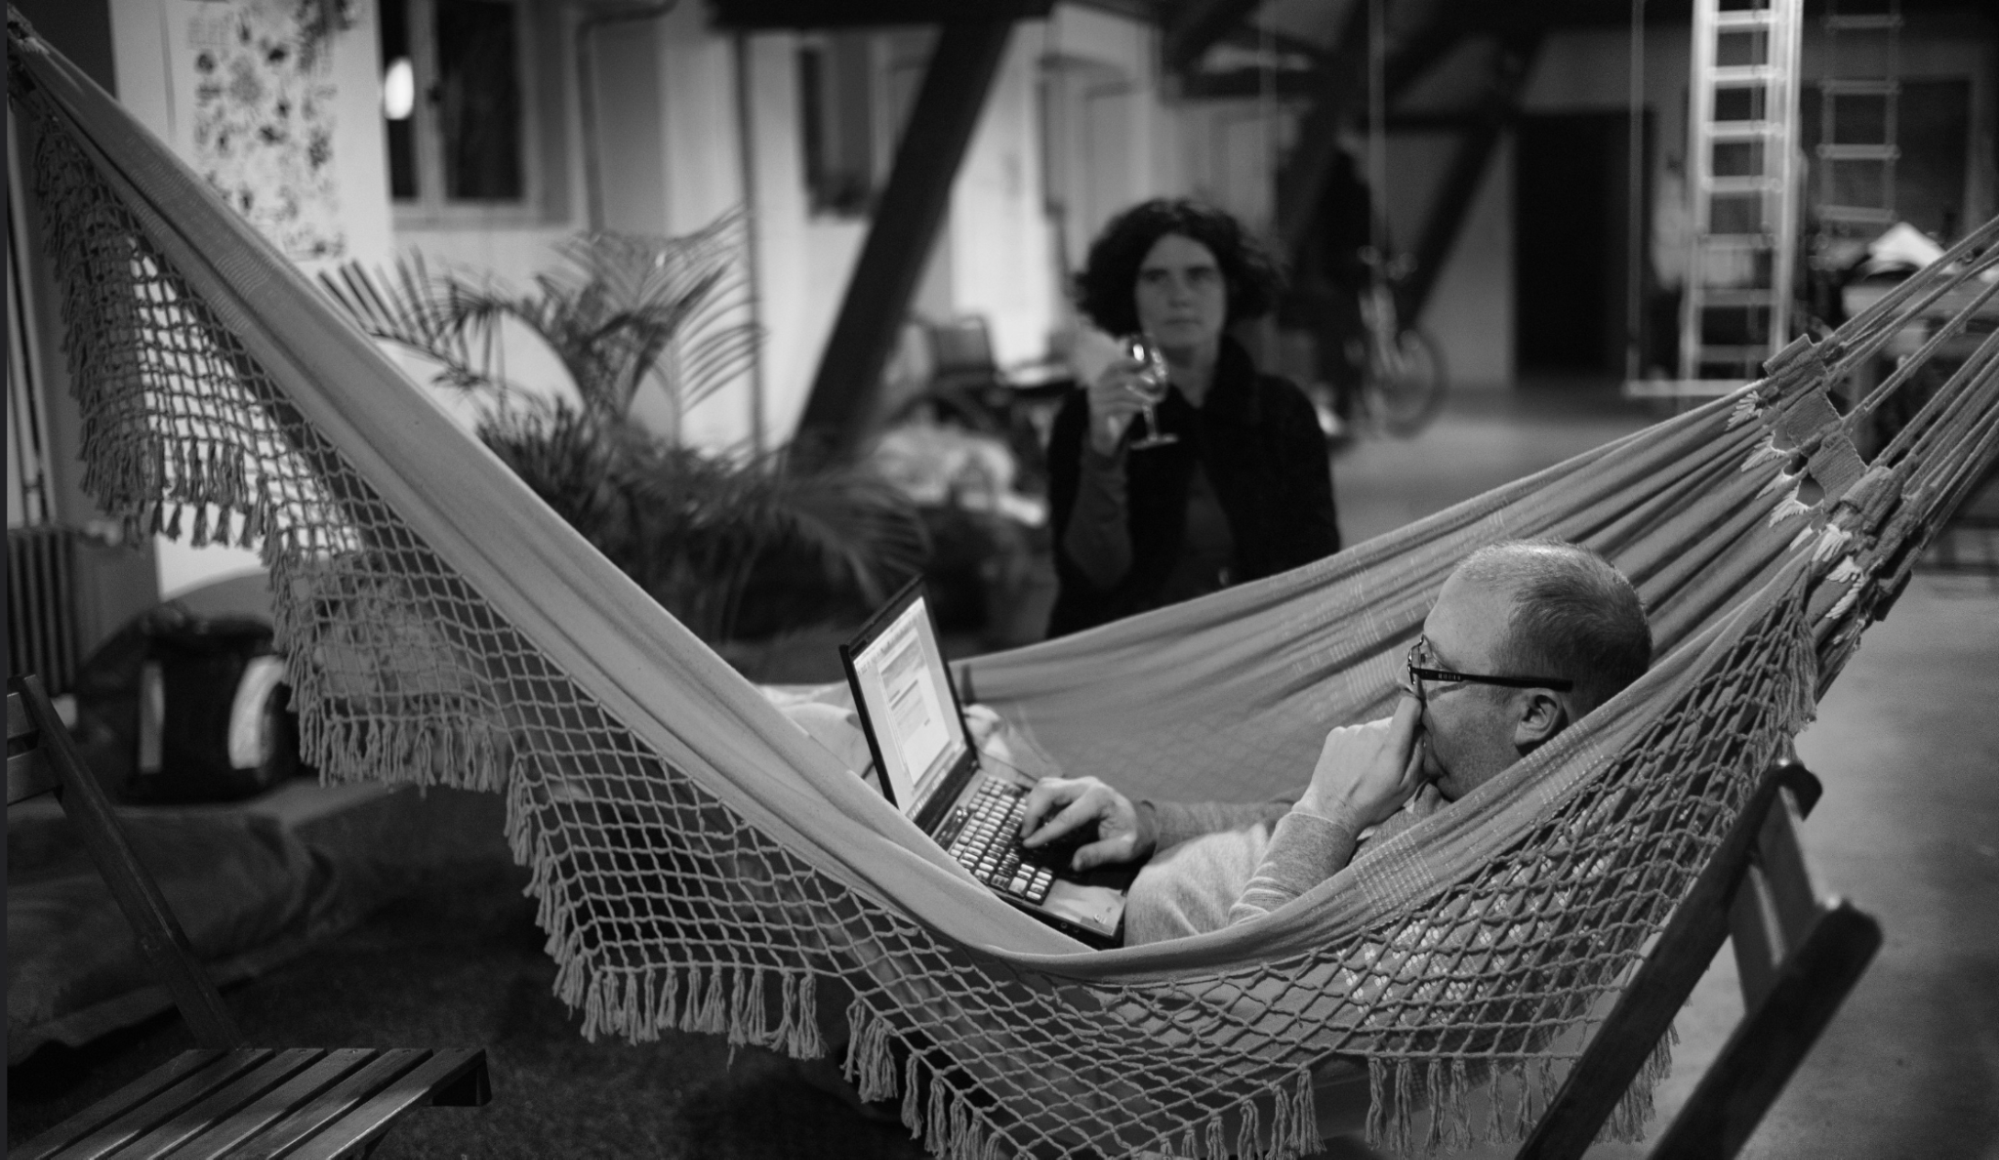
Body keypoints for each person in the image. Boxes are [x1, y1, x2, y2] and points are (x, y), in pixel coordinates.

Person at [1019, 539, 1652, 945]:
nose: (1407, 687)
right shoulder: (1453, 772)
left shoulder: (1494, 908)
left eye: (1435, 667)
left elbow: (1234, 1007)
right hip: (1127, 905)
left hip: (1170, 1045)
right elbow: (1284, 828)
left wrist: (1332, 812)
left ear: (1535, 713)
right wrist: (1151, 825)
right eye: (1418, 651)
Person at [1046, 199, 1341, 638]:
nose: (1179, 295)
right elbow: (1092, 579)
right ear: (1130, 292)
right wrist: (1103, 453)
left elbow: (1316, 563)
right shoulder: (1088, 412)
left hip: (1258, 644)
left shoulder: (1281, 410)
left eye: (1199, 275)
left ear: (1232, 288)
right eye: (1155, 277)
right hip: (1128, 651)